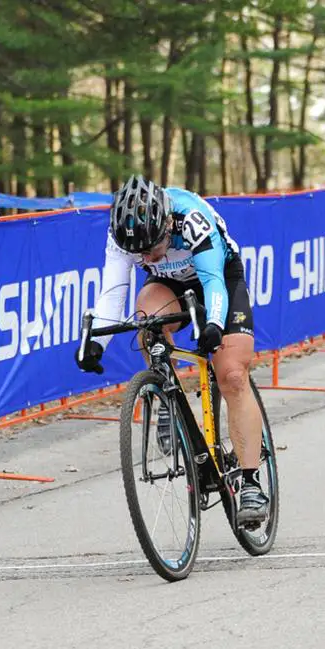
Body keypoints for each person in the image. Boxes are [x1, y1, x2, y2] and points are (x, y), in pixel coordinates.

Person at [75, 175, 269, 526]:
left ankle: (251, 481)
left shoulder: (190, 219)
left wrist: (212, 324)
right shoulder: (123, 233)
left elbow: (212, 282)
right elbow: (114, 294)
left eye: (152, 246)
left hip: (218, 277)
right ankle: (167, 398)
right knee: (148, 321)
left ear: (167, 222)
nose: (147, 256)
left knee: (232, 374)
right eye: (140, 253)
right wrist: (95, 344)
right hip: (168, 284)